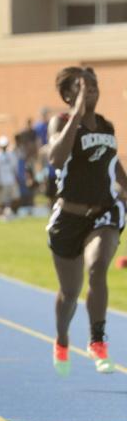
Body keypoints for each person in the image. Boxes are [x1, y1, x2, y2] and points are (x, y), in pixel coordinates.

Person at [46, 67, 127, 376]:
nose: (91, 90)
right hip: (68, 218)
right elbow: (55, 158)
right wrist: (77, 112)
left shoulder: (107, 126)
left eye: (94, 85)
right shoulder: (62, 123)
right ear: (68, 94)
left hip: (104, 212)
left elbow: (112, 165)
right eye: (83, 87)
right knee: (69, 293)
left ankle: (97, 340)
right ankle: (62, 339)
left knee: (97, 267)